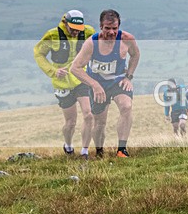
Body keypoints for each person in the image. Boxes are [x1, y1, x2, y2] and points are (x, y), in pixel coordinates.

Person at [70, 9, 141, 158]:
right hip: (98, 84)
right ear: (101, 27)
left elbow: (135, 54)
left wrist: (128, 77)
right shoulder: (92, 43)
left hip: (117, 81)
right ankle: (99, 151)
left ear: (119, 27)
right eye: (107, 28)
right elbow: (75, 68)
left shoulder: (127, 39)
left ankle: (122, 150)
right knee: (100, 122)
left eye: (115, 28)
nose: (111, 32)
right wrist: (94, 85)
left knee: (126, 106)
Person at [33, 10, 97, 159]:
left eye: (78, 29)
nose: (75, 32)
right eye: (73, 28)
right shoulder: (52, 35)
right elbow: (38, 53)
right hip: (62, 83)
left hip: (82, 78)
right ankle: (68, 145)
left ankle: (84, 152)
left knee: (88, 115)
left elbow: (97, 48)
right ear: (65, 23)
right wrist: (53, 71)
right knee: (70, 122)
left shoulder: (89, 32)